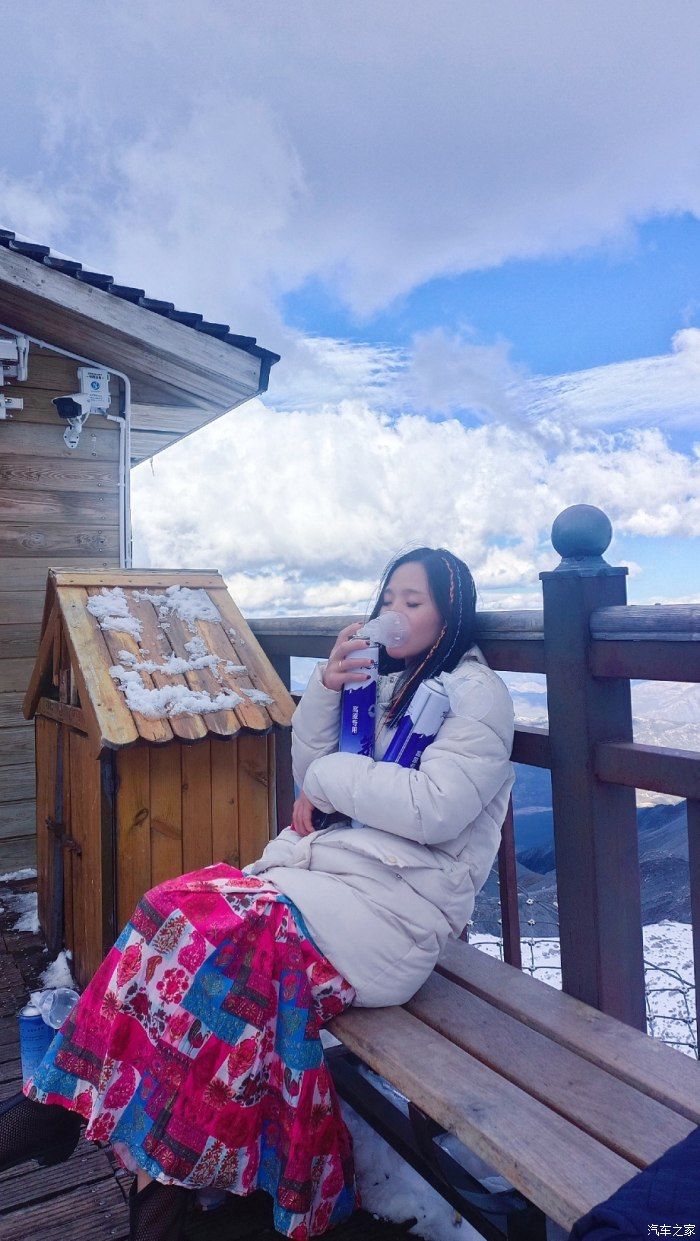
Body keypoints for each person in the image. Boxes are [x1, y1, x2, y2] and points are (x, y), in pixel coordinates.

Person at [0, 547, 515, 1241]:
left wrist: (327, 782)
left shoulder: (473, 690)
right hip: (336, 886)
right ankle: (118, 1156)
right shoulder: (391, 682)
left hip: (397, 916)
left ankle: (65, 1115)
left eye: (413, 601)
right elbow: (312, 768)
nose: (392, 612)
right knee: (171, 913)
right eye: (388, 597)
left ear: (451, 614)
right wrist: (330, 687)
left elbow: (435, 807)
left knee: (214, 938)